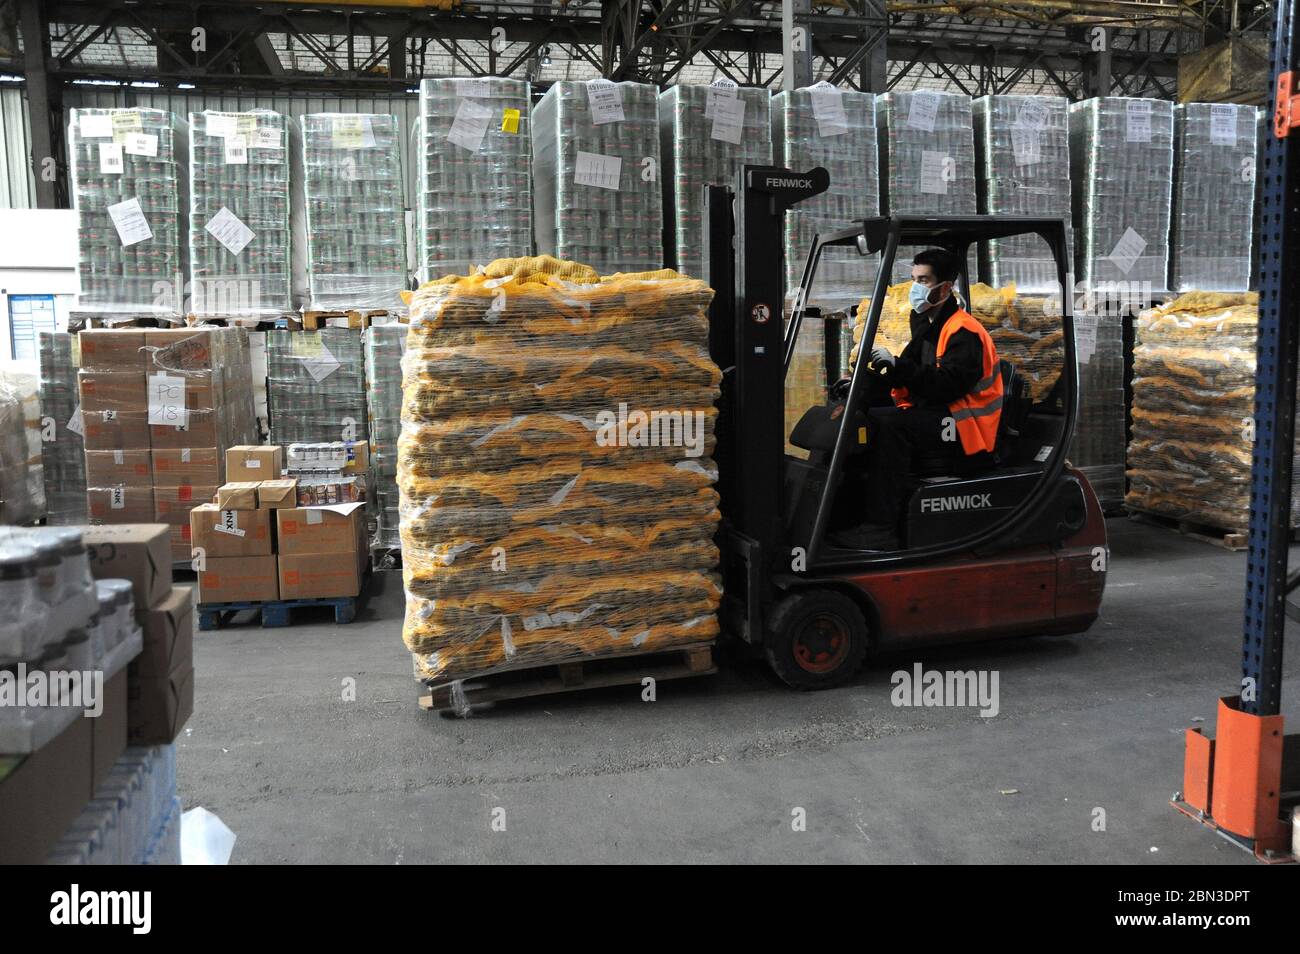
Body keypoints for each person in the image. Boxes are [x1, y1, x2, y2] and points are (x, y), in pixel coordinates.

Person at [831, 248, 1004, 550]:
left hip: (966, 428)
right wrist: (858, 392)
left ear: (946, 287)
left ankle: (880, 529)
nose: (915, 288)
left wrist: (900, 367)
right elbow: (906, 374)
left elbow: (945, 386)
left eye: (923, 280)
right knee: (867, 417)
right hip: (939, 414)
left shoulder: (964, 332)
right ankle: (846, 513)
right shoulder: (928, 323)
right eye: (913, 279)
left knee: (892, 427)